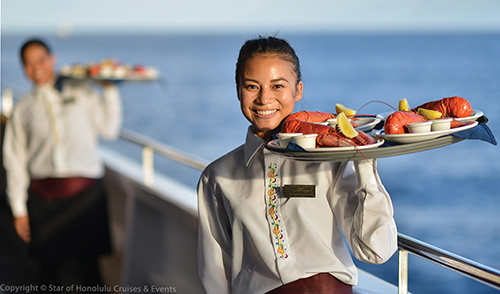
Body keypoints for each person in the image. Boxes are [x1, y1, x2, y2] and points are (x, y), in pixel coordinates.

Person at [197, 36, 398, 294]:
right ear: (238, 90)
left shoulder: (329, 160)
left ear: (298, 90)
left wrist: (365, 161)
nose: (264, 99)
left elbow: (375, 252)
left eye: (278, 86)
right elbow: (215, 277)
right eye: (251, 86)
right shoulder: (217, 176)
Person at [3, 38, 122, 289]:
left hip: (86, 199)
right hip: (42, 201)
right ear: (23, 68)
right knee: (48, 274)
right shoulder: (23, 109)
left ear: (52, 59)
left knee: (90, 272)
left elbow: (109, 131)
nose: (36, 68)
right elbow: (14, 161)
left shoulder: (83, 92)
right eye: (28, 63)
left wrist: (110, 89)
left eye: (41, 60)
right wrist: (18, 210)